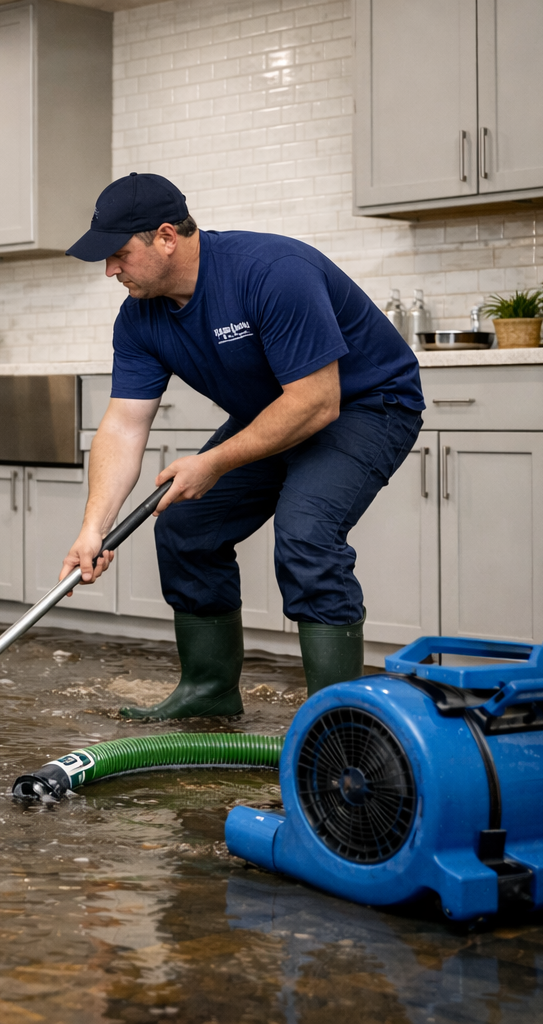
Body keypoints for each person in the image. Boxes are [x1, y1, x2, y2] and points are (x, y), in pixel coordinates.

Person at [59, 172, 424, 719]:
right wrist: (93, 528)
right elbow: (124, 426)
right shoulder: (140, 317)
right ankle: (209, 694)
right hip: (274, 413)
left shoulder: (272, 273)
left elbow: (317, 402)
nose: (110, 270)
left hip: (366, 406)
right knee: (187, 528)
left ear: (165, 237)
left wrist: (213, 462)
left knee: (306, 534)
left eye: (118, 254)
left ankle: (338, 722)